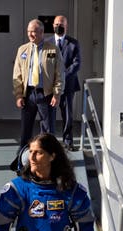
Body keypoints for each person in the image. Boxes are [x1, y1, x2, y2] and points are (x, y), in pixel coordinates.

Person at [11, 19, 64, 171]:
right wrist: (19, 95)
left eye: (33, 31)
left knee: (47, 131)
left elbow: (59, 74)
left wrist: (57, 93)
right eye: (29, 31)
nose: (30, 34)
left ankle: (50, 163)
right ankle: (23, 162)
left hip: (46, 95)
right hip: (29, 95)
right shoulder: (22, 49)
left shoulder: (52, 50)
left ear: (41, 32)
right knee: (25, 130)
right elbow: (17, 74)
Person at [49, 15, 81, 151]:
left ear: (66, 26)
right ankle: (49, 141)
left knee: (67, 114)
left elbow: (77, 64)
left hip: (68, 85)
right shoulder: (47, 43)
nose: (59, 26)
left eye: (61, 24)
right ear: (52, 25)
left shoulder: (74, 43)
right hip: (49, 86)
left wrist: (62, 77)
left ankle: (68, 141)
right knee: (48, 114)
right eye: (56, 24)